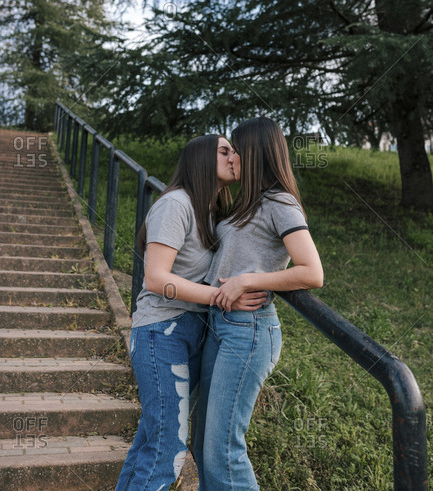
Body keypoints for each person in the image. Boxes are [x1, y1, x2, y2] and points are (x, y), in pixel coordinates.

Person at [116, 134, 267, 491]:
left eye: (235, 151)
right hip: (160, 333)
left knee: (151, 441)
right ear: (201, 159)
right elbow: (155, 278)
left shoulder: (211, 210)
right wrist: (220, 295)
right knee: (168, 448)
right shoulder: (176, 204)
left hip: (192, 333)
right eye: (224, 151)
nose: (234, 157)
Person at [194, 117, 324, 491]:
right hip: (218, 324)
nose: (231, 156)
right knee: (203, 443)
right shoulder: (248, 201)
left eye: (236, 149)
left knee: (222, 449)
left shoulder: (280, 202)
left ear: (254, 153)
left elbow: (312, 272)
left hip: (248, 332)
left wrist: (249, 279)